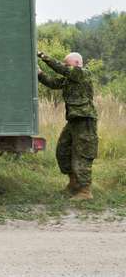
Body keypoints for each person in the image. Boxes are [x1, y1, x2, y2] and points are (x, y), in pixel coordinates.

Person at [37, 51, 98, 200]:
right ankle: (74, 184)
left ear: (77, 64)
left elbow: (61, 69)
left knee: (82, 155)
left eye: (67, 64)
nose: (65, 66)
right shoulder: (69, 79)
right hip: (73, 121)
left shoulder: (83, 74)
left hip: (85, 120)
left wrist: (43, 56)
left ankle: (85, 191)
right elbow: (52, 83)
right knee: (63, 151)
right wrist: (39, 73)